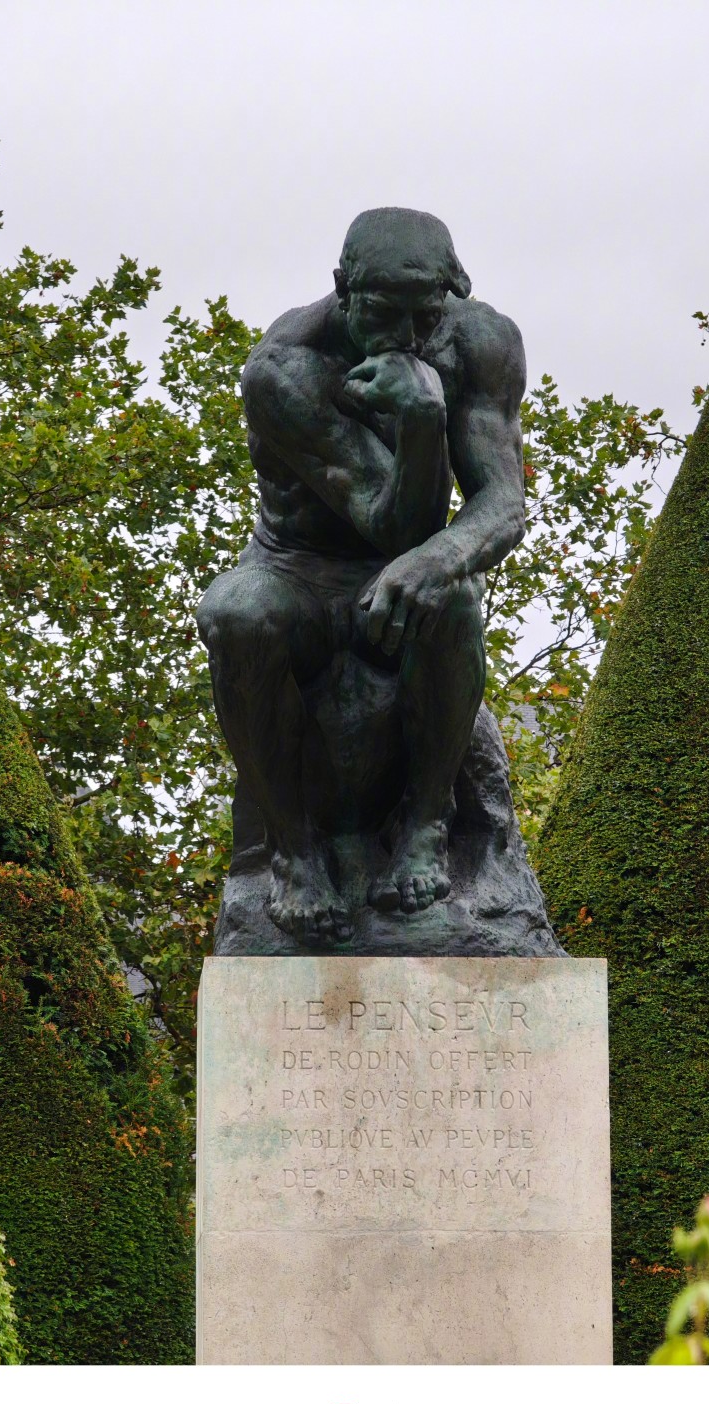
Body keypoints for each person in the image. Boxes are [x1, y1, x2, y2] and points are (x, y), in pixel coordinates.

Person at [197, 207, 527, 945]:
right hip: (299, 578)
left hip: (399, 582)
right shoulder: (284, 367)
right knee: (235, 612)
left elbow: (504, 502)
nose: (406, 337)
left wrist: (441, 558)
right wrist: (421, 421)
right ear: (343, 290)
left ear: (455, 290)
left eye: (425, 315)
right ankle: (294, 852)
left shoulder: (481, 341)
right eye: (383, 313)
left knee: (454, 597)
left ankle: (424, 825)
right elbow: (388, 521)